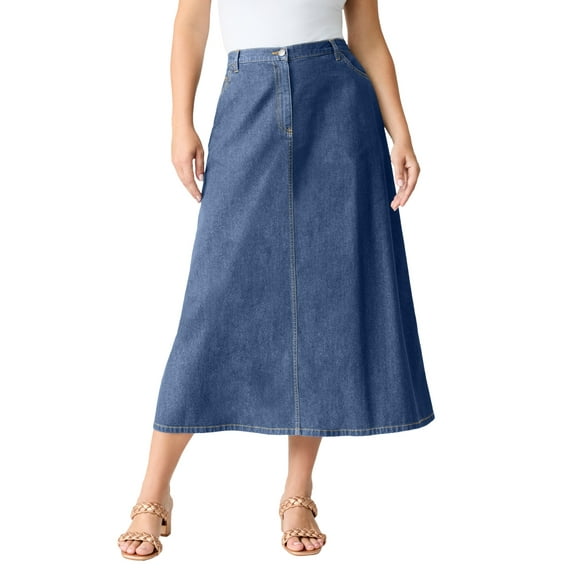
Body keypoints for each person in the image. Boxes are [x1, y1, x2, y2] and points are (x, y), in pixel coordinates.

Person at [117, 0, 435, 560]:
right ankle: (153, 489)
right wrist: (180, 121)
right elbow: (190, 22)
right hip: (247, 96)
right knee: (211, 303)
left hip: (338, 107)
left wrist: (401, 133)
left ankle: (298, 493)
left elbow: (366, 32)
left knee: (323, 299)